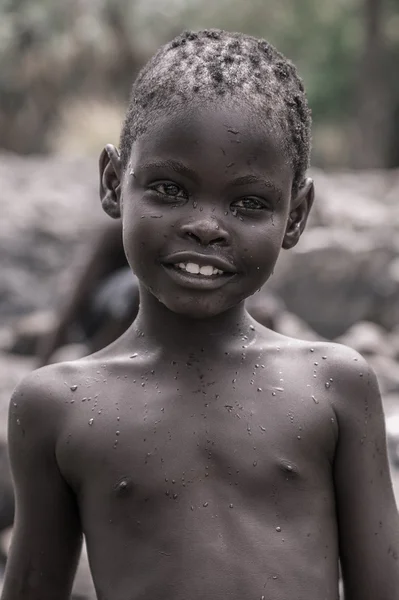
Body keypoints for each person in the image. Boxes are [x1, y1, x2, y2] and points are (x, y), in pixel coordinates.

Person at [2, 29, 398, 600]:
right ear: (114, 183)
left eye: (249, 204)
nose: (207, 226)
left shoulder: (335, 386)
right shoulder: (56, 407)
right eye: (169, 188)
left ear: (296, 215)